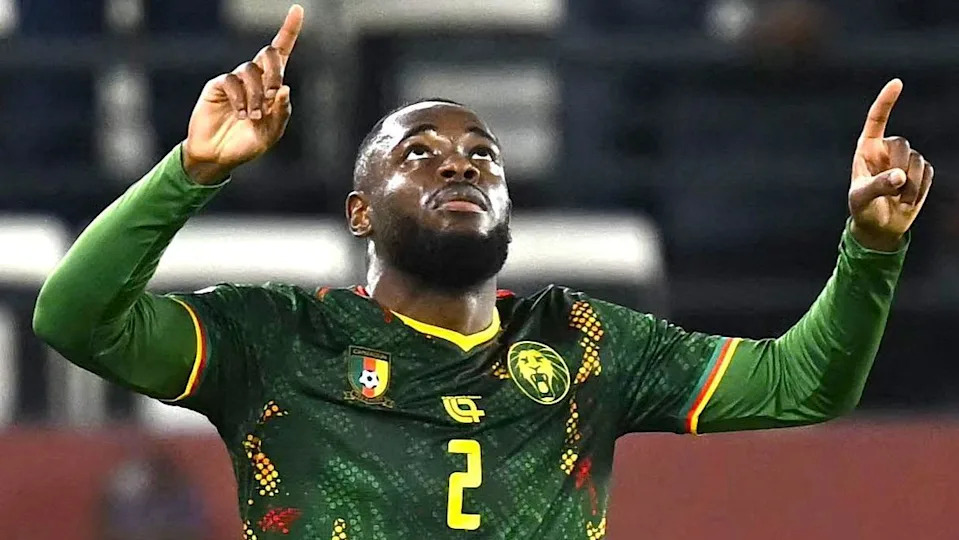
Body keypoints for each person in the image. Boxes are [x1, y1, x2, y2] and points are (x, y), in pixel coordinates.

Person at [32, 5, 934, 538]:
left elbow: (803, 383)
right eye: (416, 152)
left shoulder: (585, 344)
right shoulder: (277, 339)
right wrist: (191, 172)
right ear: (360, 212)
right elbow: (73, 318)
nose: (458, 164)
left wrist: (872, 249)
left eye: (481, 154)